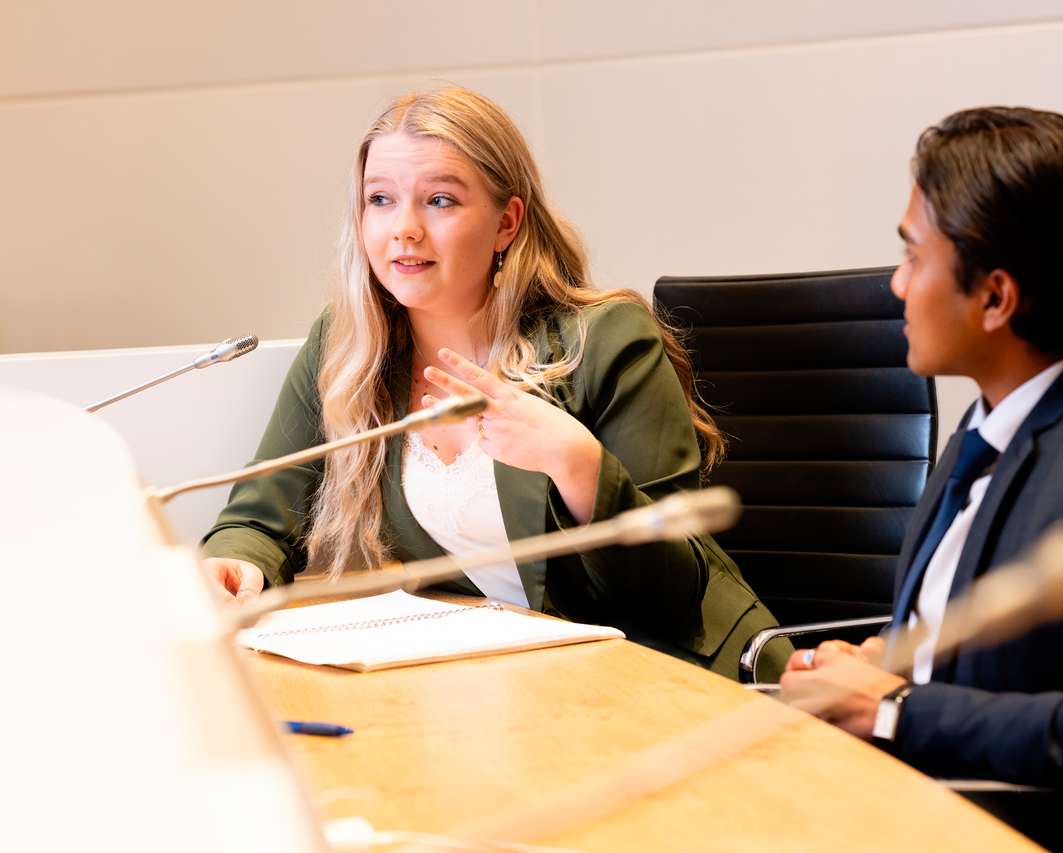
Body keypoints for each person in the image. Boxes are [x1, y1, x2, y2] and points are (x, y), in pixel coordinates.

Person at [201, 86, 791, 680]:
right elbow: (256, 520)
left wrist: (580, 465)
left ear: (506, 222)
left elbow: (673, 594)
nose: (403, 229)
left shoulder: (605, 338)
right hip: (523, 681)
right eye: (380, 199)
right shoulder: (352, 347)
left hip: (682, 670)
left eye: (439, 200)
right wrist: (234, 566)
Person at [780, 107, 1063, 788]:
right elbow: (990, 654)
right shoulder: (990, 422)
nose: (897, 284)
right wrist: (886, 663)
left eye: (912, 256)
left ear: (996, 298)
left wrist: (894, 706)